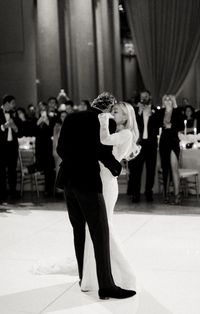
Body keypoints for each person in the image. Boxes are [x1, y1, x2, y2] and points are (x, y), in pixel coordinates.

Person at [56, 92, 136, 300]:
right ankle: (106, 286)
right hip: (88, 183)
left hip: (68, 182)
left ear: (93, 103)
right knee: (100, 232)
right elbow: (102, 152)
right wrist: (116, 168)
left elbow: (60, 149)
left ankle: (84, 278)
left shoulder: (71, 117)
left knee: (78, 231)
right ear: (108, 109)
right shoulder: (104, 122)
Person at [81, 101, 140, 292]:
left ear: (126, 116)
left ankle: (126, 274)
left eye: (116, 111)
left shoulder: (126, 133)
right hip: (100, 179)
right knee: (95, 228)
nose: (112, 112)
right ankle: (93, 278)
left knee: (105, 228)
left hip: (107, 183)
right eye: (112, 110)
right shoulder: (119, 132)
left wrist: (103, 119)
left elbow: (105, 140)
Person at [127, 90, 160, 203]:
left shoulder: (155, 110)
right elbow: (131, 125)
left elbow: (158, 125)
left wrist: (151, 113)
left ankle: (148, 192)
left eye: (146, 96)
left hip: (151, 144)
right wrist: (140, 112)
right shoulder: (135, 111)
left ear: (149, 97)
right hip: (139, 144)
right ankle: (136, 194)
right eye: (142, 96)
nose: (144, 98)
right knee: (137, 170)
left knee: (151, 170)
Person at [159, 95, 184, 205]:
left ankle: (177, 195)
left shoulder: (177, 111)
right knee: (165, 169)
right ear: (163, 102)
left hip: (174, 141)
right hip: (164, 141)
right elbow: (154, 124)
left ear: (173, 101)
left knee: (174, 168)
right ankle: (166, 194)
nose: (167, 101)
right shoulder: (160, 112)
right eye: (165, 99)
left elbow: (181, 126)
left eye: (170, 99)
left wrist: (171, 126)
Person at [0, 95, 20, 202]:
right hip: (1, 147)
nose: (14, 105)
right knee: (1, 170)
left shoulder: (14, 113)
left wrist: (14, 127)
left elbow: (18, 130)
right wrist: (4, 126)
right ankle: (2, 193)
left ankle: (13, 192)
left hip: (12, 146)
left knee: (12, 170)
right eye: (13, 103)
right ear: (6, 103)